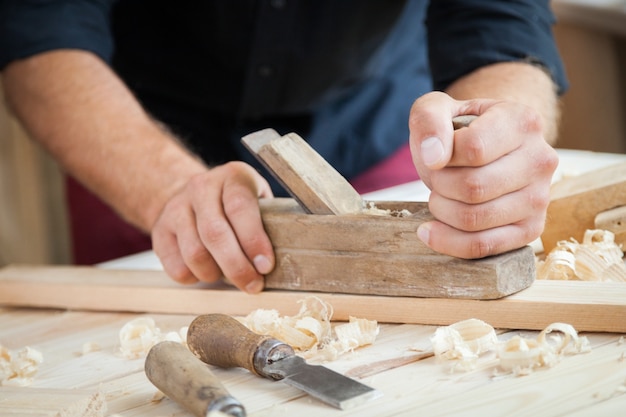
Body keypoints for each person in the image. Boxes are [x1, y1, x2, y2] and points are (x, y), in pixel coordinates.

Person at [0, 1, 567, 293]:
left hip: (371, 127)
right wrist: (168, 190)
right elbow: (40, 30)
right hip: (136, 145)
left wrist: (488, 143)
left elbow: (500, 22)